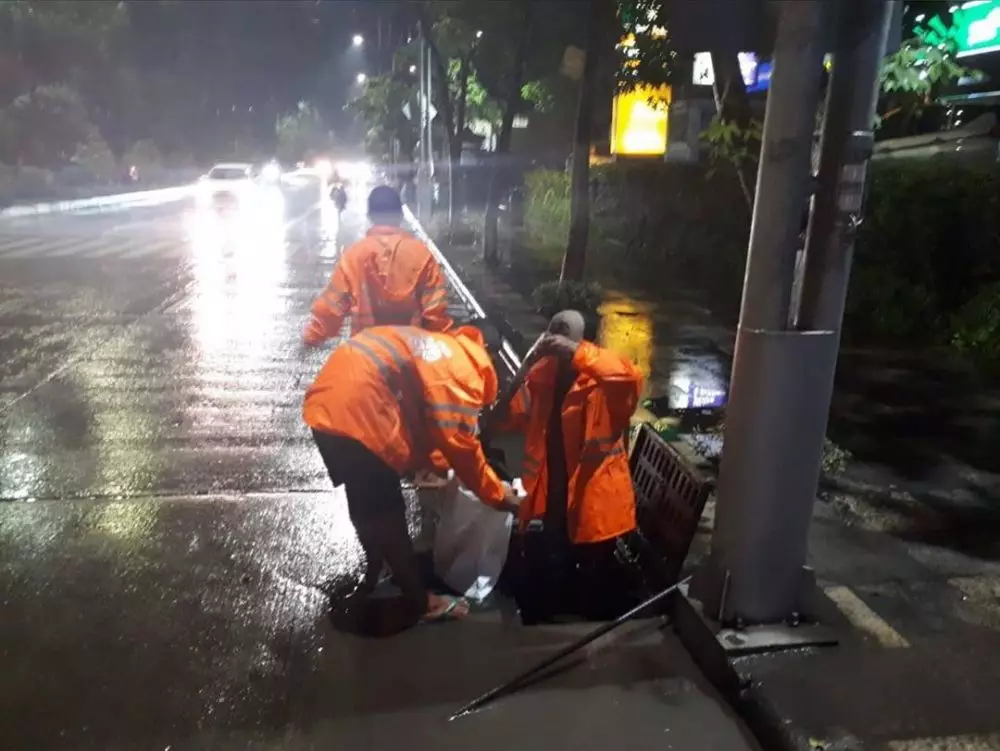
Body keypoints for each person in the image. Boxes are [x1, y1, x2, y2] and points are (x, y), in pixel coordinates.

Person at [304, 324, 521, 626]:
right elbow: (461, 446)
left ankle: (375, 566)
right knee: (388, 511)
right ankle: (419, 601)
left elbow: (422, 419)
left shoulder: (441, 348)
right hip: (363, 412)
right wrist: (498, 495)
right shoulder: (465, 372)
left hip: (326, 406)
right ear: (490, 357)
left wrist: (432, 463)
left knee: (362, 496)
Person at [490, 310, 644, 621]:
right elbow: (506, 416)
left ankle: (585, 610)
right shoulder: (543, 375)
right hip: (554, 499)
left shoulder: (604, 381)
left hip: (595, 502)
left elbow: (628, 378)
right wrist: (521, 370)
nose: (558, 345)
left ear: (585, 342)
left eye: (566, 338)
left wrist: (577, 352)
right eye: (554, 335)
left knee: (592, 581)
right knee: (553, 568)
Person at [302, 185, 452, 347]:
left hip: (366, 351)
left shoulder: (354, 256)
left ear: (370, 216)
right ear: (400, 215)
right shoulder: (422, 255)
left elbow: (331, 307)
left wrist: (312, 336)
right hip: (409, 351)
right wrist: (446, 346)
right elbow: (435, 313)